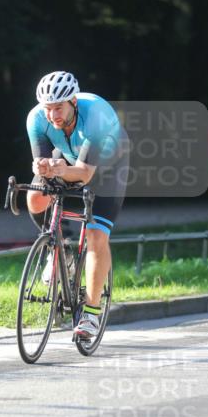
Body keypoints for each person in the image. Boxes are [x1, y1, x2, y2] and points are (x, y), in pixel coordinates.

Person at [25, 71, 129, 340]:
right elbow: (46, 167)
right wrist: (44, 167)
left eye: (58, 108)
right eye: (48, 109)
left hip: (108, 167)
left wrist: (62, 169)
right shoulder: (36, 119)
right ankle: (59, 249)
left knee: (96, 236)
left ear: (73, 101)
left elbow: (84, 174)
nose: (52, 115)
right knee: (35, 197)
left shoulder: (95, 114)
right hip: (72, 158)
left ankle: (91, 314)